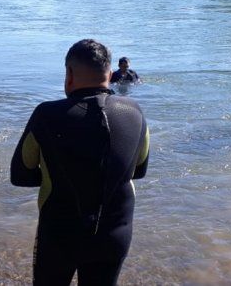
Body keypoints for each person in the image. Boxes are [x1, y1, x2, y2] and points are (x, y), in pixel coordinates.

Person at [11, 39, 150, 285]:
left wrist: (56, 174)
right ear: (109, 73)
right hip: (115, 233)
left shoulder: (47, 114)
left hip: (60, 233)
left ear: (69, 74)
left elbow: (20, 175)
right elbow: (138, 171)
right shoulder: (135, 112)